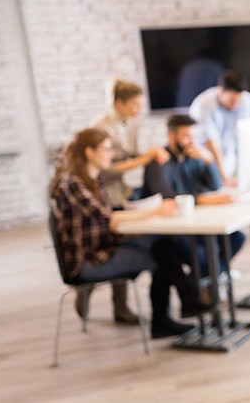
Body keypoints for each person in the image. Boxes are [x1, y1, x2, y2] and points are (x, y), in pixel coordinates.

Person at [49, 128, 211, 339]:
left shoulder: (93, 182)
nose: (112, 155)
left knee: (165, 244)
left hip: (105, 248)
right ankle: (179, 307)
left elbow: (110, 220)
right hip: (89, 261)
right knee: (162, 254)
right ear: (89, 152)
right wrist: (154, 211)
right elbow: (110, 220)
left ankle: (181, 305)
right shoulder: (71, 185)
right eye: (107, 149)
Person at [87, 79, 170, 324]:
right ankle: (111, 301)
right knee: (116, 244)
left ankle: (118, 306)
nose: (138, 110)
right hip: (106, 193)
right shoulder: (101, 129)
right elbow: (107, 170)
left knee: (126, 242)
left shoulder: (131, 122)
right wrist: (143, 159)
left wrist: (152, 151)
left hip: (122, 191)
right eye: (134, 105)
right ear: (118, 103)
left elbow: (130, 154)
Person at [142, 114, 245, 272]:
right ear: (171, 136)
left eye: (194, 136)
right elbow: (166, 195)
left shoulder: (193, 157)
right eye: (187, 136)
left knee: (237, 238)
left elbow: (215, 186)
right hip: (170, 230)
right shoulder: (158, 162)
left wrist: (209, 159)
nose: (192, 141)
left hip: (194, 223)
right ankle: (207, 284)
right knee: (204, 258)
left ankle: (209, 282)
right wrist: (202, 199)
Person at [187, 70, 250, 187]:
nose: (236, 105)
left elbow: (245, 134)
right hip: (205, 162)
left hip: (228, 160)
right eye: (232, 100)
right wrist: (224, 177)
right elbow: (211, 142)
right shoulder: (204, 104)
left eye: (238, 100)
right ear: (220, 91)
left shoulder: (246, 99)